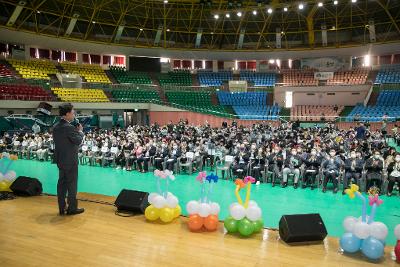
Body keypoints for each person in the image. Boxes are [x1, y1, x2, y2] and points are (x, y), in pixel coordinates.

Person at [52, 103, 84, 216]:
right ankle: (72, 209)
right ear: (67, 114)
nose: (74, 114)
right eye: (73, 112)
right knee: (71, 185)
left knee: (61, 184)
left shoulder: (55, 126)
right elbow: (78, 141)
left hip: (60, 160)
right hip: (70, 161)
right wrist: (80, 131)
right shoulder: (69, 127)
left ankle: (61, 208)